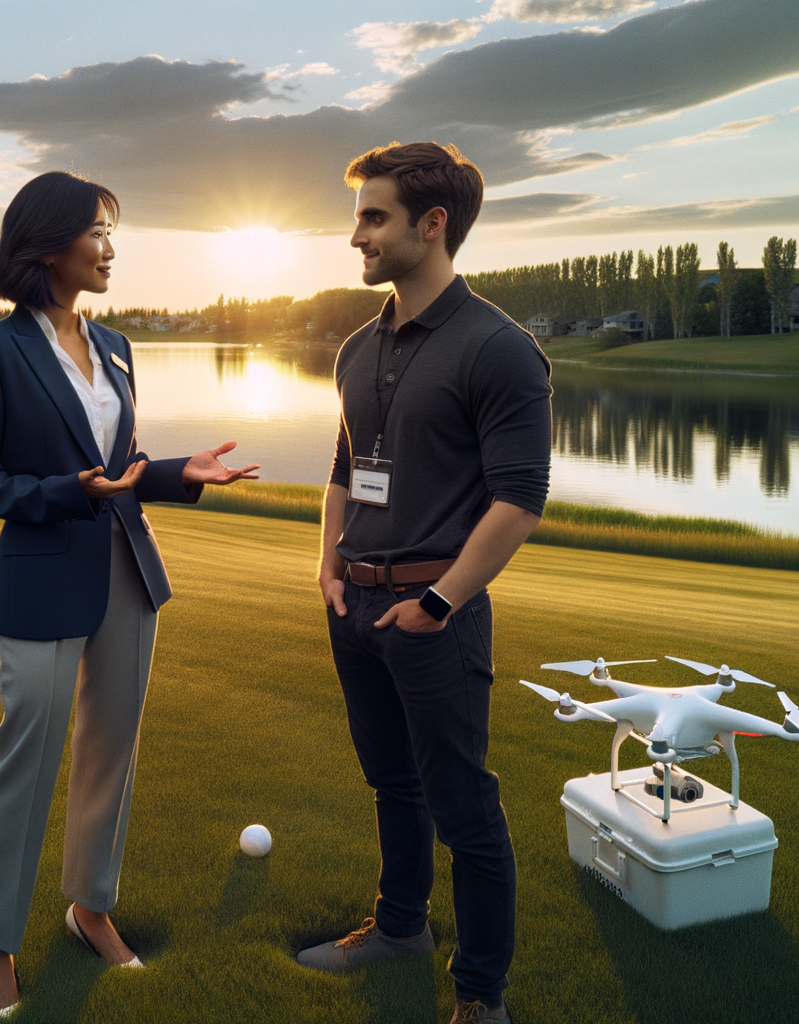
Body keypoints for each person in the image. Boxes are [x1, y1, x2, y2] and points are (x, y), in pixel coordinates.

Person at [0, 171, 260, 1016]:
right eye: (96, 232)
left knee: (109, 756)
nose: (110, 248)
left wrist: (173, 473)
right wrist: (66, 492)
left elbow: (118, 467)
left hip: (129, 570)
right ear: (47, 243)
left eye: (111, 233)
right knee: (27, 761)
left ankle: (91, 909)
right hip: (41, 579)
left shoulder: (118, 346)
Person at [295, 142, 552, 1024]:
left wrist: (441, 602)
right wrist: (326, 559)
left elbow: (520, 500)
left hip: (433, 613)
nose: (356, 236)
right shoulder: (358, 348)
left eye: (374, 217)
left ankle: (481, 997)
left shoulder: (500, 349)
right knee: (390, 784)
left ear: (432, 225)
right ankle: (400, 927)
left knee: (464, 805)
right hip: (354, 602)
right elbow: (345, 462)